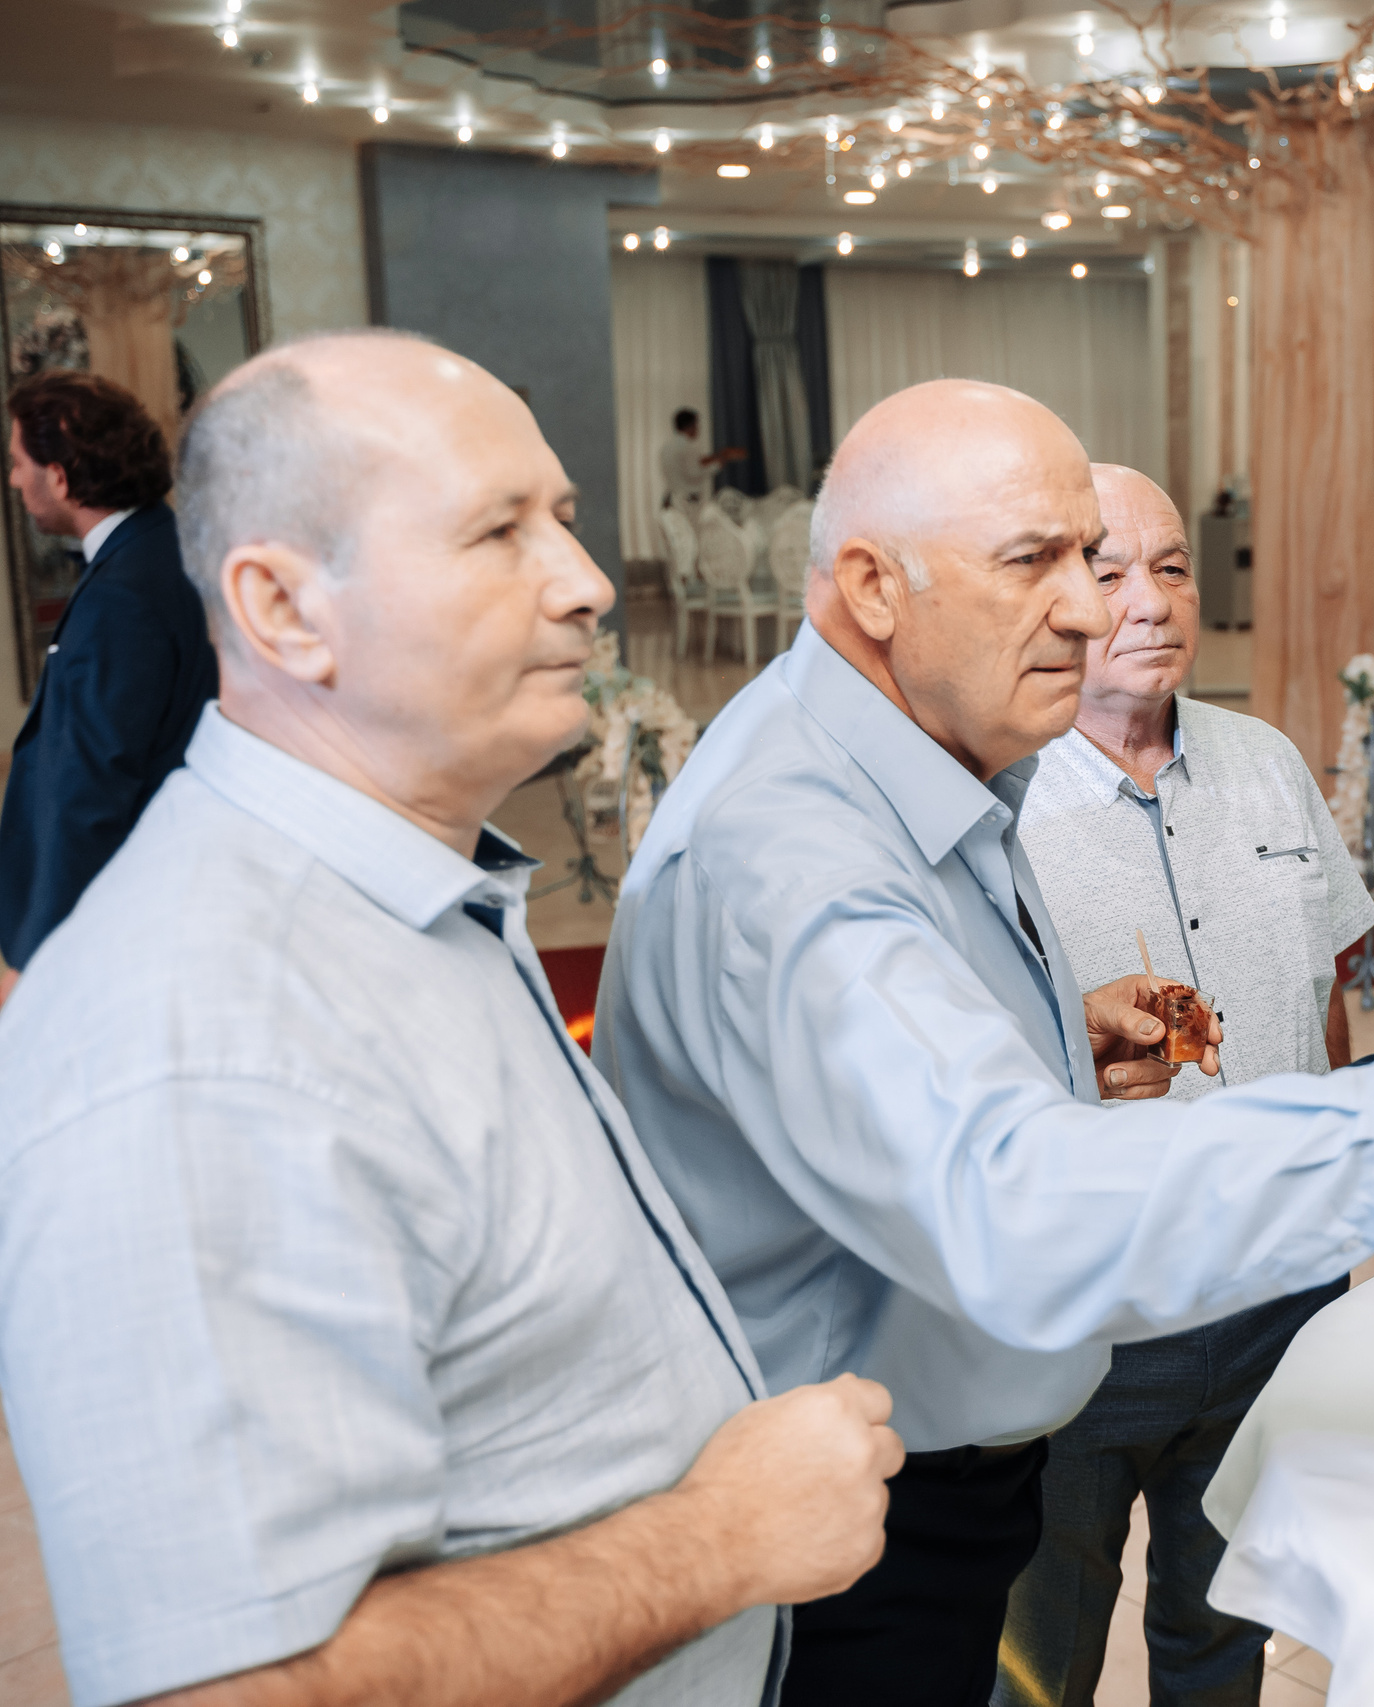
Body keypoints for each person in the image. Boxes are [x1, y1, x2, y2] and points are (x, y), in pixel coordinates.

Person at [592, 379, 1374, 1707]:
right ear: (873, 583)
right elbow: (1015, 1208)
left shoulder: (915, 760)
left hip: (921, 1458)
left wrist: (1047, 1039)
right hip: (858, 1515)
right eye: (1039, 561)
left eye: (1111, 565)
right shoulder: (797, 849)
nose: (1101, 610)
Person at [0, 331, 905, 1707]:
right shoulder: (205, 1042)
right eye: (499, 532)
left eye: (569, 520)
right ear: (284, 609)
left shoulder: (405, 895)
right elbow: (241, 1686)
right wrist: (721, 1537)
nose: (589, 583)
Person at [996, 466, 1373, 1707]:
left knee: (1223, 1626)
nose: (1148, 601)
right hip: (1092, 1311)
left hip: (1274, 1290)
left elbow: (1324, 993)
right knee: (1037, 1649)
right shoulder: (996, 804)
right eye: (1108, 572)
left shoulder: (1264, 763)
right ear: (1049, 594)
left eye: (1170, 567)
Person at [0, 369, 218, 1006]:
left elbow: (91, 785)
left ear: (60, 477)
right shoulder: (164, 549)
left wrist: (41, 957)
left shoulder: (123, 594)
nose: (13, 480)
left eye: (18, 463)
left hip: (124, 908)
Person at [660, 406, 731, 513]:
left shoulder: (666, 447)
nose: (698, 428)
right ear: (690, 426)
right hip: (688, 502)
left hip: (671, 499)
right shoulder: (688, 446)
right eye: (696, 425)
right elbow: (694, 473)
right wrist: (718, 465)